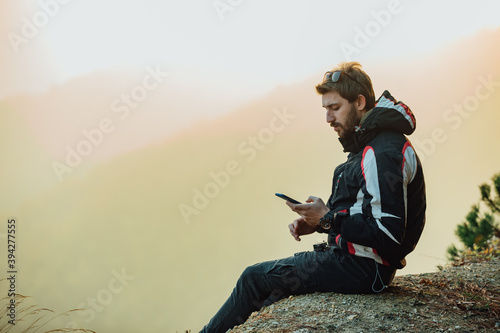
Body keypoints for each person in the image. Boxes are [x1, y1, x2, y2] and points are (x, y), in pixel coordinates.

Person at [200, 61, 426, 332]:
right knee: (268, 298)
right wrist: (320, 221)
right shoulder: (370, 142)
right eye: (325, 110)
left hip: (363, 268)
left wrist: (328, 218)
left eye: (334, 108)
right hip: (361, 263)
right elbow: (367, 211)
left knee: (253, 279)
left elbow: (388, 235)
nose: (328, 119)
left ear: (360, 102)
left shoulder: (381, 152)